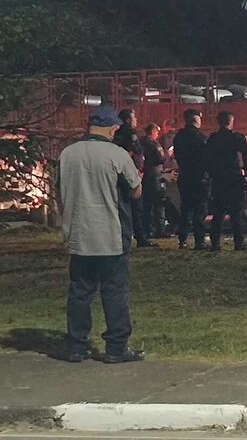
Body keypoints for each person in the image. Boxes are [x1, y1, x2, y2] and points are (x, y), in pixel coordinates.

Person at [56, 105, 145, 363]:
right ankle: (116, 348)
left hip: (78, 235)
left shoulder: (67, 154)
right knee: (114, 291)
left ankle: (76, 346)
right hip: (110, 235)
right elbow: (136, 191)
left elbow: (59, 192)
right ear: (112, 127)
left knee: (80, 292)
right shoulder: (116, 155)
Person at [205, 111, 247, 252]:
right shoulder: (237, 137)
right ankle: (239, 243)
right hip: (234, 178)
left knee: (218, 213)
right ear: (231, 122)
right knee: (236, 212)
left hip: (219, 179)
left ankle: (215, 244)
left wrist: (212, 174)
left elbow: (207, 159)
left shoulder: (213, 139)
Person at [114, 109, 156, 248]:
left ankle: (122, 236)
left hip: (119, 174)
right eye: (134, 118)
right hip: (131, 174)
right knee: (137, 207)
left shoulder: (116, 133)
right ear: (127, 120)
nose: (136, 120)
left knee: (122, 207)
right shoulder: (130, 134)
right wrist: (137, 170)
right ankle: (141, 237)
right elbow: (134, 151)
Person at [173, 109, 209, 250]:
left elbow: (178, 155)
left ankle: (182, 240)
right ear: (196, 119)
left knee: (186, 208)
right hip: (199, 177)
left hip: (185, 176)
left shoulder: (179, 137)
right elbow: (206, 158)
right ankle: (199, 241)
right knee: (200, 209)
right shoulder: (200, 137)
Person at [141, 123, 166, 239]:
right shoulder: (153, 143)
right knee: (159, 202)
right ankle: (159, 229)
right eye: (157, 132)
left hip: (145, 176)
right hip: (155, 176)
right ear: (152, 131)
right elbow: (161, 157)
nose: (158, 134)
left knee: (146, 204)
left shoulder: (141, 142)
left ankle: (147, 229)